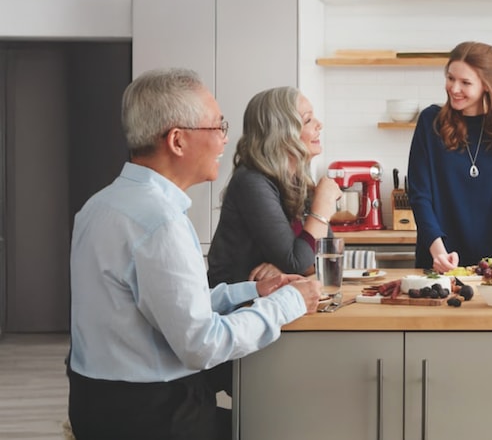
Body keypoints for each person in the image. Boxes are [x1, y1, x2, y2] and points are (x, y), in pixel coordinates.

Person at [67, 68, 325, 440]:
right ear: (177, 141)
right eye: (218, 126)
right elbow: (202, 345)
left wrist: (252, 292)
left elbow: (164, 306)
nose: (225, 140)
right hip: (152, 417)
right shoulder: (161, 221)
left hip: (95, 403)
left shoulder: (99, 205)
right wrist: (288, 302)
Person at [207, 86, 342, 285]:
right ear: (281, 133)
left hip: (274, 301)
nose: (319, 125)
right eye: (307, 120)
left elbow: (327, 254)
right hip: (236, 307)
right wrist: (322, 207)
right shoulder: (252, 182)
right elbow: (299, 260)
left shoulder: (297, 179)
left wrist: (285, 265)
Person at [407, 41, 492, 272]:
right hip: (439, 260)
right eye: (450, 78)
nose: (454, 88)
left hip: (491, 267)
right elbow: (420, 196)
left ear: (486, 86)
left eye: (465, 82)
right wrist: (440, 254)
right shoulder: (431, 122)